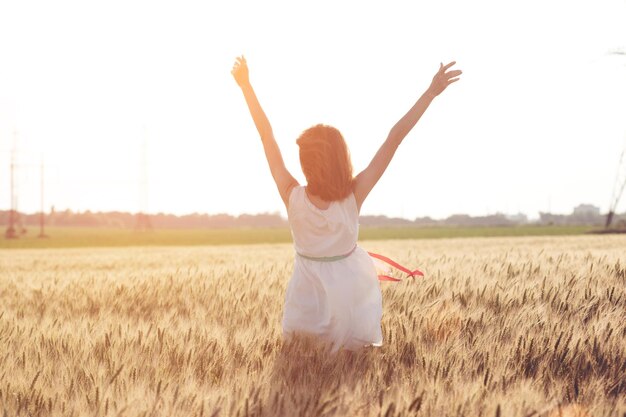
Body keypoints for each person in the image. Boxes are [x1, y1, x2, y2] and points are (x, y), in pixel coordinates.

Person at [231, 55, 461, 352]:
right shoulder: (354, 195)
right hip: (350, 299)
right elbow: (394, 139)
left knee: (300, 360)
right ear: (341, 159)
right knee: (350, 364)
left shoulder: (291, 195)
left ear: (305, 164)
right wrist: (429, 94)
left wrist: (246, 86)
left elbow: (267, 137)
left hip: (305, 299)